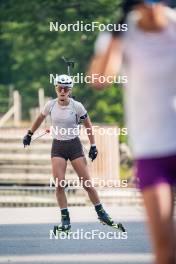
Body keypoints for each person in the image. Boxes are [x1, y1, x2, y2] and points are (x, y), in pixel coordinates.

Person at [89, 0, 176, 263]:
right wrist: (117, 35)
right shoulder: (121, 33)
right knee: (165, 248)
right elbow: (100, 80)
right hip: (151, 149)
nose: (150, 8)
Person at [23, 74, 125, 233]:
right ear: (56, 88)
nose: (62, 91)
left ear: (70, 90)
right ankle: (65, 220)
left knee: (87, 184)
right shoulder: (50, 105)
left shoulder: (77, 106)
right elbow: (39, 118)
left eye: (65, 89)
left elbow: (88, 125)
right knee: (59, 184)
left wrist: (93, 146)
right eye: (59, 88)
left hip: (74, 146)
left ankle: (102, 214)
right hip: (58, 147)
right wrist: (29, 133)